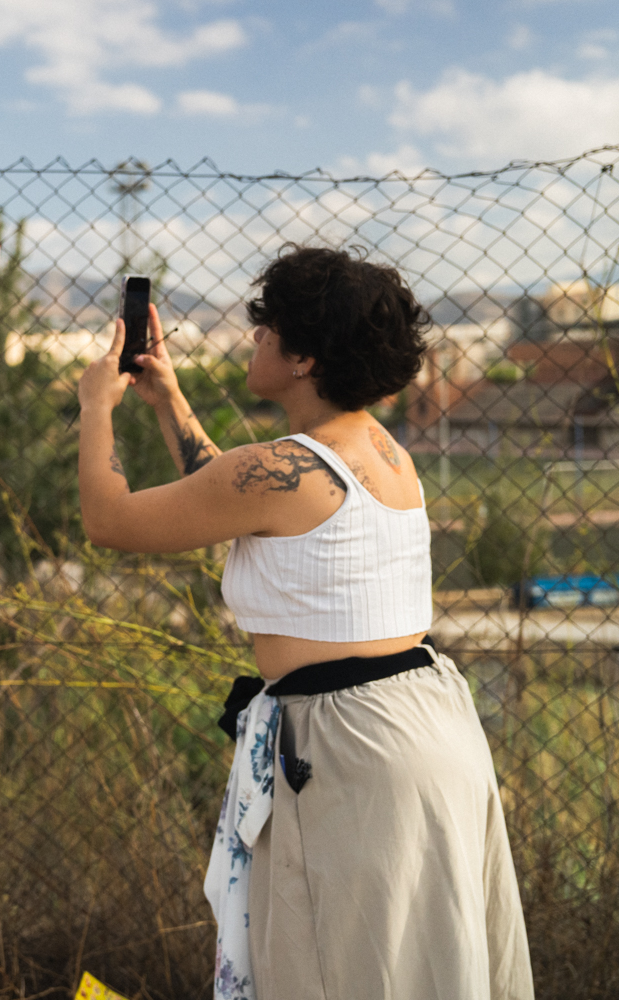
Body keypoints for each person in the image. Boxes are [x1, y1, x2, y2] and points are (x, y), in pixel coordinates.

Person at [76, 245, 533, 1000]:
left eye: (267, 328)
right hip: (423, 727)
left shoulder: (285, 469)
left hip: (350, 752)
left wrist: (98, 406)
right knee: (418, 967)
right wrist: (168, 402)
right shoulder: (378, 452)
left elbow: (109, 518)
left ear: (305, 356)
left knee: (338, 971)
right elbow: (236, 495)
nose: (254, 337)